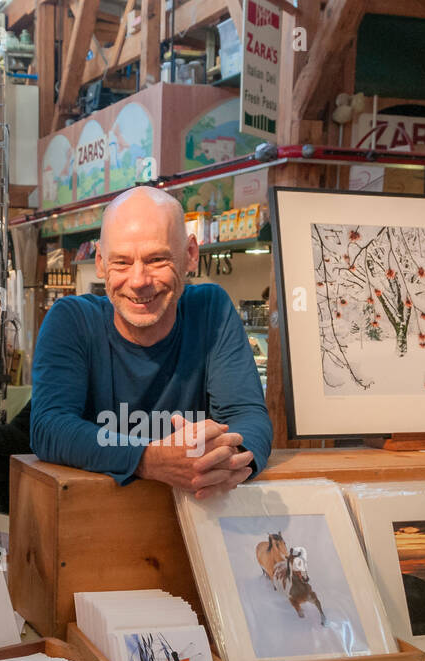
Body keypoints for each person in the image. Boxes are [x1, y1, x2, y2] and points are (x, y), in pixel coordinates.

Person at [30, 186, 272, 499]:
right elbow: (49, 428)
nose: (139, 280)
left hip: (198, 522)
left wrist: (227, 459)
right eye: (121, 262)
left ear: (190, 255)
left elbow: (250, 418)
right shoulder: (73, 320)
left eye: (157, 259)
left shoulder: (211, 310)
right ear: (101, 262)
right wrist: (149, 460)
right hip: (93, 520)